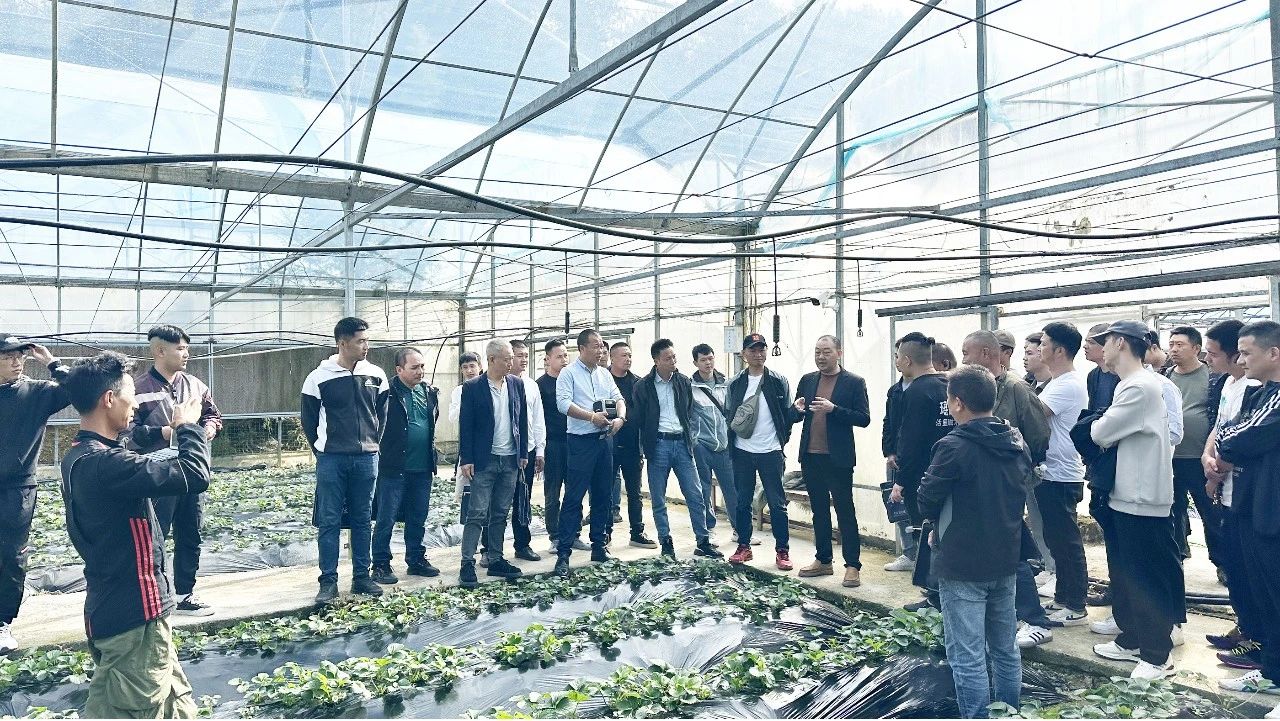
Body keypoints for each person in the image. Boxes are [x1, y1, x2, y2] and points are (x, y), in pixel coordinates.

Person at [59, 351, 210, 718]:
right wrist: (187, 427)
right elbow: (194, 475)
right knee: (137, 709)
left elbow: (142, 463)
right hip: (134, 617)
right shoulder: (106, 464)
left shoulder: (81, 455)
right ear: (109, 399)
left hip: (122, 609)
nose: (136, 403)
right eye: (131, 394)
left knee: (176, 705)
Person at [918, 364, 1029, 719]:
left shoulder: (953, 446)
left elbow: (927, 499)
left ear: (957, 403)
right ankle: (1009, 713)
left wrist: (936, 524)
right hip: (1005, 556)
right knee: (1005, 648)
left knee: (967, 655)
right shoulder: (1015, 442)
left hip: (962, 562)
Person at [1088, 321, 1183, 680]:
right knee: (1129, 572)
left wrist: (1100, 426)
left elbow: (1101, 432)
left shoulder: (1139, 387)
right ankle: (1132, 640)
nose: (1101, 348)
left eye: (1106, 341)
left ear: (1122, 344)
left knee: (1145, 576)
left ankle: (1157, 657)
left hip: (1142, 496)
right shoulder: (1133, 384)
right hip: (1130, 493)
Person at [126, 325, 222, 617]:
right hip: (158, 474)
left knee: (190, 531)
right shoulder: (138, 389)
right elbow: (129, 432)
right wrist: (165, 432)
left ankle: (184, 594)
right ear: (159, 351)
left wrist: (208, 429)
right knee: (155, 535)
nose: (186, 354)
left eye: (187, 348)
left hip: (191, 471)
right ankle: (153, 595)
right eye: (180, 348)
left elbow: (213, 415)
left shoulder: (196, 385)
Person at [1214, 320, 1280, 718]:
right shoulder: (1262, 392)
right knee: (1264, 595)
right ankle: (1271, 669)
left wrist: (1230, 440)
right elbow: (1228, 431)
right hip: (1257, 507)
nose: (1241, 360)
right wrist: (1229, 440)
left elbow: (1237, 439)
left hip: (1271, 511)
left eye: (1247, 353)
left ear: (1274, 353)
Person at [301, 317, 389, 604]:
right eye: (360, 341)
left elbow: (381, 416)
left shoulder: (376, 375)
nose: (366, 346)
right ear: (342, 343)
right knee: (329, 520)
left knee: (363, 519)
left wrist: (372, 445)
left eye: (367, 340)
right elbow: (309, 421)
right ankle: (328, 582)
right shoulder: (318, 377)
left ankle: (361, 577)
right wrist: (323, 451)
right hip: (332, 460)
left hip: (367, 459)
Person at [0, 334, 70, 653]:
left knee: (11, 555)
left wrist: (52, 363)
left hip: (17, 489)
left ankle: (3, 622)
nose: (16, 362)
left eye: (20, 356)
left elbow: (80, 391)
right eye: (8, 357)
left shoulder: (37, 393)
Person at [1200, 319, 1264, 668]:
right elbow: (1219, 427)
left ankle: (1257, 640)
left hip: (1240, 489)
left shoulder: (1254, 388)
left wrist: (1216, 470)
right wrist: (1206, 457)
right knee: (1235, 567)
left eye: (1212, 353)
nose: (1208, 358)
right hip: (1223, 485)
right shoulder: (1227, 382)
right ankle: (1245, 629)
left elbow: (1240, 439)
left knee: (1250, 571)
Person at [1026, 322, 1090, 641]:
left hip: (1062, 474)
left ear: (1060, 350)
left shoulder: (1068, 384)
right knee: (1056, 538)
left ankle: (1076, 604)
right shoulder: (1056, 382)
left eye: (1044, 343)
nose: (1039, 349)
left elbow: (1032, 415)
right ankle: (1064, 598)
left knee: (1066, 541)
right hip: (1051, 472)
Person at [630, 339, 722, 559]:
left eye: (674, 357)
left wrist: (689, 438)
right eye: (668, 358)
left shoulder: (682, 381)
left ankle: (703, 541)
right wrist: (643, 449)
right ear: (656, 360)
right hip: (658, 445)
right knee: (659, 497)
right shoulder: (643, 386)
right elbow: (638, 419)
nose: (673, 361)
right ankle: (666, 542)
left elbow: (689, 411)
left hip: (682, 444)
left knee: (696, 495)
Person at [792, 335, 871, 588]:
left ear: (839, 353)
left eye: (826, 352)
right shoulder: (808, 380)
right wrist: (796, 409)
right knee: (819, 511)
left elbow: (864, 418)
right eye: (817, 352)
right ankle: (823, 559)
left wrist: (834, 409)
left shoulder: (854, 382)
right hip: (811, 455)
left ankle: (852, 565)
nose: (821, 357)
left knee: (845, 511)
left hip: (838, 458)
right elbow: (797, 413)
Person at [554, 329, 627, 576]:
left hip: (604, 441)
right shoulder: (568, 373)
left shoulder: (604, 374)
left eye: (602, 346)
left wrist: (620, 418)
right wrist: (590, 417)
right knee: (574, 497)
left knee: (603, 495)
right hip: (580, 442)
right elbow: (563, 404)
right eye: (596, 346)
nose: (601, 350)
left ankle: (599, 546)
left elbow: (618, 398)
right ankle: (564, 553)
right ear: (582, 348)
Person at [457, 340, 529, 588]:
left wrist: (522, 452)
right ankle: (467, 562)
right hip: (484, 459)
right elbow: (466, 424)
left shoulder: (516, 384)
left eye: (512, 358)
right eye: (507, 359)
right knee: (477, 512)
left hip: (510, 459)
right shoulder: (473, 387)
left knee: (500, 512)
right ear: (491, 360)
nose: (511, 363)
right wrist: (466, 458)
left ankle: (496, 558)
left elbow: (522, 419)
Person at [727, 333, 799, 570]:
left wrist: (796, 414)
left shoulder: (778, 381)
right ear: (744, 354)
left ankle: (782, 551)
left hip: (771, 451)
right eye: (753, 350)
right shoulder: (736, 384)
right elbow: (729, 414)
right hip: (742, 450)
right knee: (742, 501)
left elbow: (786, 415)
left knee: (777, 503)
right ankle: (744, 546)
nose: (758, 354)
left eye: (762, 349)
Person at [886, 332, 955, 574]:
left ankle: (930, 581)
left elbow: (911, 441)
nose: (897, 362)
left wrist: (901, 481)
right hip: (948, 470)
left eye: (898, 357)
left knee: (925, 530)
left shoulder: (916, 391)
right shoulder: (949, 384)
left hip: (922, 476)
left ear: (907, 361)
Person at [371, 347, 441, 585]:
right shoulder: (387, 392)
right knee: (386, 517)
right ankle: (380, 564)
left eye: (422, 366)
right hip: (393, 467)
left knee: (418, 516)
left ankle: (416, 559)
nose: (420, 371)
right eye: (414, 368)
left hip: (422, 467)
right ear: (399, 369)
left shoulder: (429, 392)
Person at [1165, 326, 1221, 566]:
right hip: (1171, 457)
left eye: (1180, 344)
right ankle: (1177, 555)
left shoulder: (1213, 376)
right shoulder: (1166, 376)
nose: (1174, 349)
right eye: (1171, 344)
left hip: (1200, 457)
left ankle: (1221, 562)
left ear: (1196, 348)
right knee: (1173, 509)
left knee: (1210, 511)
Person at [690, 343, 744, 545]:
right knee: (703, 490)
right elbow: (686, 416)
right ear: (695, 362)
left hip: (724, 446)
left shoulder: (726, 384)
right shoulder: (690, 387)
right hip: (701, 447)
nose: (708, 363)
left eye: (710, 358)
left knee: (732, 489)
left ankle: (740, 530)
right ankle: (708, 529)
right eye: (703, 360)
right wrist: (694, 440)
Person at [1083, 322, 1120, 608]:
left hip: (1118, 460)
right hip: (1099, 458)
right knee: (1105, 519)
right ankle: (1115, 586)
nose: (1085, 347)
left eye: (1092, 342)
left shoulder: (1125, 379)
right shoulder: (1094, 376)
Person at [537, 340, 587, 553]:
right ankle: (555, 536)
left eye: (566, 355)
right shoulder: (541, 385)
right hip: (553, 445)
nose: (564, 359)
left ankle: (574, 534)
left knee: (575, 490)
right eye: (559, 356)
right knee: (553, 492)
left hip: (575, 441)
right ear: (547, 359)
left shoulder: (574, 380)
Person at [606, 342, 654, 548]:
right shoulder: (603, 380)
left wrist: (643, 447)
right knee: (605, 491)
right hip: (608, 445)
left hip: (632, 446)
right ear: (612, 358)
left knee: (635, 493)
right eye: (623, 355)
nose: (628, 359)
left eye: (630, 355)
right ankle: (605, 533)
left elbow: (645, 415)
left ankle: (637, 532)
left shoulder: (638, 383)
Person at [503, 339, 545, 562]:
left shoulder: (531, 385)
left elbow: (538, 420)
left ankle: (522, 544)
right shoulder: (494, 384)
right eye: (518, 355)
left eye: (526, 356)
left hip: (525, 451)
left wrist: (539, 450)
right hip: (502, 451)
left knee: (523, 500)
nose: (523, 360)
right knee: (496, 502)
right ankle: (490, 549)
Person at [451, 352, 483, 522]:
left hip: (486, 445)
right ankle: (469, 524)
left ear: (480, 367)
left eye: (472, 366)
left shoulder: (487, 387)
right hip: (468, 445)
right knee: (467, 487)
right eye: (465, 367)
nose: (469, 371)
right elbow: (452, 416)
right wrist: (467, 405)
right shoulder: (459, 391)